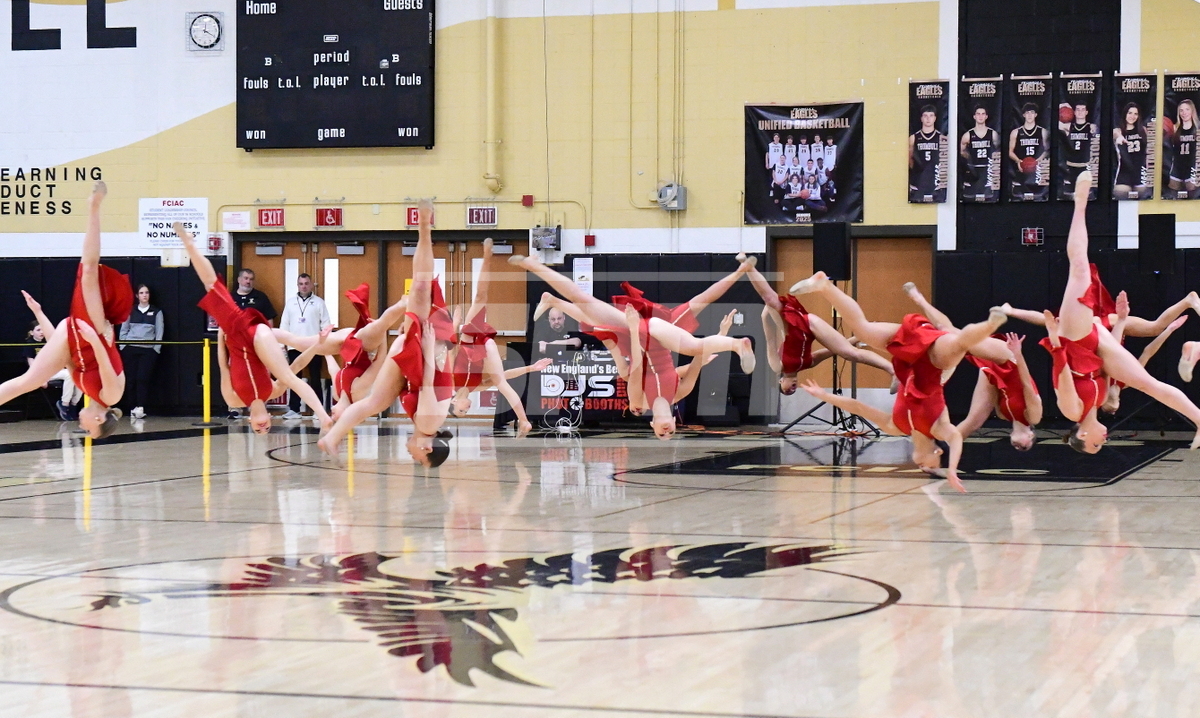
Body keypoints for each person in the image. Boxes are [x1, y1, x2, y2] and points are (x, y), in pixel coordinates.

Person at [789, 271, 1011, 492]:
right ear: (938, 452)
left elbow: (858, 407)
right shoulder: (938, 429)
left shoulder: (895, 427)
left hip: (905, 355)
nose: (924, 468)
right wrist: (952, 469)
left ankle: (825, 287)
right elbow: (955, 439)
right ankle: (991, 324)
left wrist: (825, 396)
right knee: (958, 343)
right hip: (934, 363)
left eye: (924, 469)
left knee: (863, 330)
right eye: (932, 466)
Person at [1038, 172, 1200, 453]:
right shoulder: (1101, 401)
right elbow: (1107, 359)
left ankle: (1079, 204)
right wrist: (1121, 321)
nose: (1103, 441)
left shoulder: (1072, 411)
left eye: (1095, 444)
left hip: (1073, 342)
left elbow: (1061, 373)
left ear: (1082, 435)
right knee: (1149, 384)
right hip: (1097, 346)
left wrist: (1054, 339)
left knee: (1079, 270)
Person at [513, 253, 755, 440]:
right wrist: (721, 336)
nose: (666, 431)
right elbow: (698, 361)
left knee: (584, 302)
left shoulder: (639, 401)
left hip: (638, 336)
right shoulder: (679, 393)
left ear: (652, 425)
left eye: (661, 434)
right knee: (694, 343)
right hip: (661, 332)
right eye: (671, 432)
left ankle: (534, 267)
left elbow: (636, 366)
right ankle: (738, 340)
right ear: (674, 423)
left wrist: (632, 327)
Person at [318, 200, 456, 467]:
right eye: (420, 460)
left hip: (419, 365)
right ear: (427, 448)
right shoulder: (429, 424)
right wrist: (425, 347)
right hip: (427, 355)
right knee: (421, 286)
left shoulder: (424, 425)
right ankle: (424, 225)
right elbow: (430, 382)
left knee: (374, 403)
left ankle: (332, 438)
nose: (413, 458)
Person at [174, 222, 332, 435]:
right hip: (256, 338)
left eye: (258, 430)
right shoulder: (273, 391)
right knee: (290, 370)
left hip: (234, 335)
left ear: (249, 422)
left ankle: (190, 245)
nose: (263, 428)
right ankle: (324, 417)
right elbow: (297, 365)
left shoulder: (234, 399)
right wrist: (317, 346)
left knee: (211, 286)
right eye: (267, 429)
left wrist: (221, 335)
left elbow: (223, 367)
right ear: (270, 419)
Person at [0, 182, 128, 438]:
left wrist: (38, 313)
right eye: (89, 429)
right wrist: (94, 337)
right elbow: (105, 363)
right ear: (99, 419)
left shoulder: (87, 390)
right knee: (88, 271)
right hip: (93, 334)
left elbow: (62, 350)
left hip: (74, 338)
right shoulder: (112, 396)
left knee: (29, 381)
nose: (82, 426)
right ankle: (94, 207)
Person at [902, 283, 1041, 450]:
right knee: (950, 331)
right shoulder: (1033, 417)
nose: (1018, 447)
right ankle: (920, 300)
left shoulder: (1003, 415)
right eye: (1024, 447)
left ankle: (940, 448)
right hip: (1009, 359)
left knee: (974, 421)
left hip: (997, 374)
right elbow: (1027, 384)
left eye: (1017, 449)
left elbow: (998, 387)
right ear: (1031, 436)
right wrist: (1017, 354)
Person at [741, 258, 894, 395]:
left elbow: (770, 340)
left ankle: (748, 267)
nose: (792, 389)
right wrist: (859, 336)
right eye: (793, 391)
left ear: (781, 381)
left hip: (792, 324)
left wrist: (766, 315)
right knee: (850, 354)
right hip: (812, 325)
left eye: (787, 390)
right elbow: (832, 350)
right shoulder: (808, 363)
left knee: (769, 298)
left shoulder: (778, 367)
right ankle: (892, 370)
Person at [449, 238, 550, 435]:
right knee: (501, 382)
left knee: (480, 298)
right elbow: (504, 376)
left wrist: (455, 325)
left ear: (453, 402)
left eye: (462, 410)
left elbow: (451, 350)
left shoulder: (449, 382)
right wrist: (531, 368)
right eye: (466, 412)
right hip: (483, 347)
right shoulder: (477, 388)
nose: (467, 409)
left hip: (467, 341)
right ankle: (524, 421)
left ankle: (487, 257)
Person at [21, 291, 84, 420]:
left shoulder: (49, 341)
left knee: (79, 375)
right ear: (31, 332)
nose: (42, 332)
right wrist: (40, 378)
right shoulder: (29, 344)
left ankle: (73, 405)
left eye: (42, 329)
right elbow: (31, 363)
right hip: (41, 373)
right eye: (38, 330)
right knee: (69, 375)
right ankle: (64, 405)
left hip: (53, 370)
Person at [278, 273, 332, 419]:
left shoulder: (319, 302)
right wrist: (282, 345)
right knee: (294, 378)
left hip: (314, 346)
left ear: (311, 284)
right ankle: (294, 410)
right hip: (294, 346)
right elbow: (284, 325)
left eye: (306, 283)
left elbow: (326, 324)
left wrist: (325, 343)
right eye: (301, 284)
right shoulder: (290, 303)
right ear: (297, 285)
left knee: (315, 378)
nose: (304, 286)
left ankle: (318, 410)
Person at [118, 284, 164, 420]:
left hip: (148, 350)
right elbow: (124, 329)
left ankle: (141, 406)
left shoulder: (156, 312)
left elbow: (159, 332)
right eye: (142, 293)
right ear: (137, 296)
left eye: (147, 293)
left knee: (142, 379)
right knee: (131, 379)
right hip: (131, 348)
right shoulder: (130, 311)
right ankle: (132, 407)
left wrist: (156, 349)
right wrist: (123, 346)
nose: (145, 295)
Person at [1058, 102, 1098, 199]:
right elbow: (1054, 122)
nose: (1080, 112)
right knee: (1068, 197)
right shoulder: (1068, 127)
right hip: (1070, 167)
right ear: (1074, 112)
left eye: (1083, 109)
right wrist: (1063, 105)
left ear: (1086, 112)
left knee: (1086, 196)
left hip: (1085, 166)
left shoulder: (1091, 127)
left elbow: (1096, 130)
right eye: (1078, 109)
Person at [1008, 102, 1048, 198]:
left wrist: (1038, 160)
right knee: (1019, 197)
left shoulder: (1043, 131)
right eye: (1027, 113)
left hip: (1037, 171)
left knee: (1039, 197)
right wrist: (1018, 161)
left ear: (1036, 115)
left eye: (1032, 112)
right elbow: (1010, 151)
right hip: (1021, 169)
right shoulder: (1015, 132)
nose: (1029, 115)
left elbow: (1047, 150)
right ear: (1023, 115)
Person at [960, 104, 1000, 201]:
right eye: (978, 114)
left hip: (988, 170)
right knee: (970, 197)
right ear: (974, 116)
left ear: (986, 116)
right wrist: (970, 159)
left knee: (991, 198)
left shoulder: (993, 134)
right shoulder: (967, 135)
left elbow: (998, 151)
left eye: (983, 114)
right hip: (974, 170)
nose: (980, 116)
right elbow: (962, 152)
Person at [1113, 102, 1149, 199]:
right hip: (1124, 172)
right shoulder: (1119, 131)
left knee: (1143, 198)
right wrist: (1119, 137)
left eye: (1135, 114)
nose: (1132, 116)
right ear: (1125, 114)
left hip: (1140, 171)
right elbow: (1114, 133)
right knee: (1121, 195)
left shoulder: (1143, 130)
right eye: (1130, 113)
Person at [909, 104, 943, 202]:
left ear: (935, 118)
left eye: (931, 115)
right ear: (921, 118)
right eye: (925, 116)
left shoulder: (941, 138)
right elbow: (909, 159)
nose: (928, 119)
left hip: (936, 182)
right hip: (918, 182)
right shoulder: (913, 138)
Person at [1166, 99, 1198, 198]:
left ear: (1192, 111)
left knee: (1193, 200)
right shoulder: (1174, 128)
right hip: (1177, 168)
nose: (1184, 113)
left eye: (1187, 109)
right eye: (1181, 110)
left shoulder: (1197, 129)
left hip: (1193, 168)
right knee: (1173, 199)